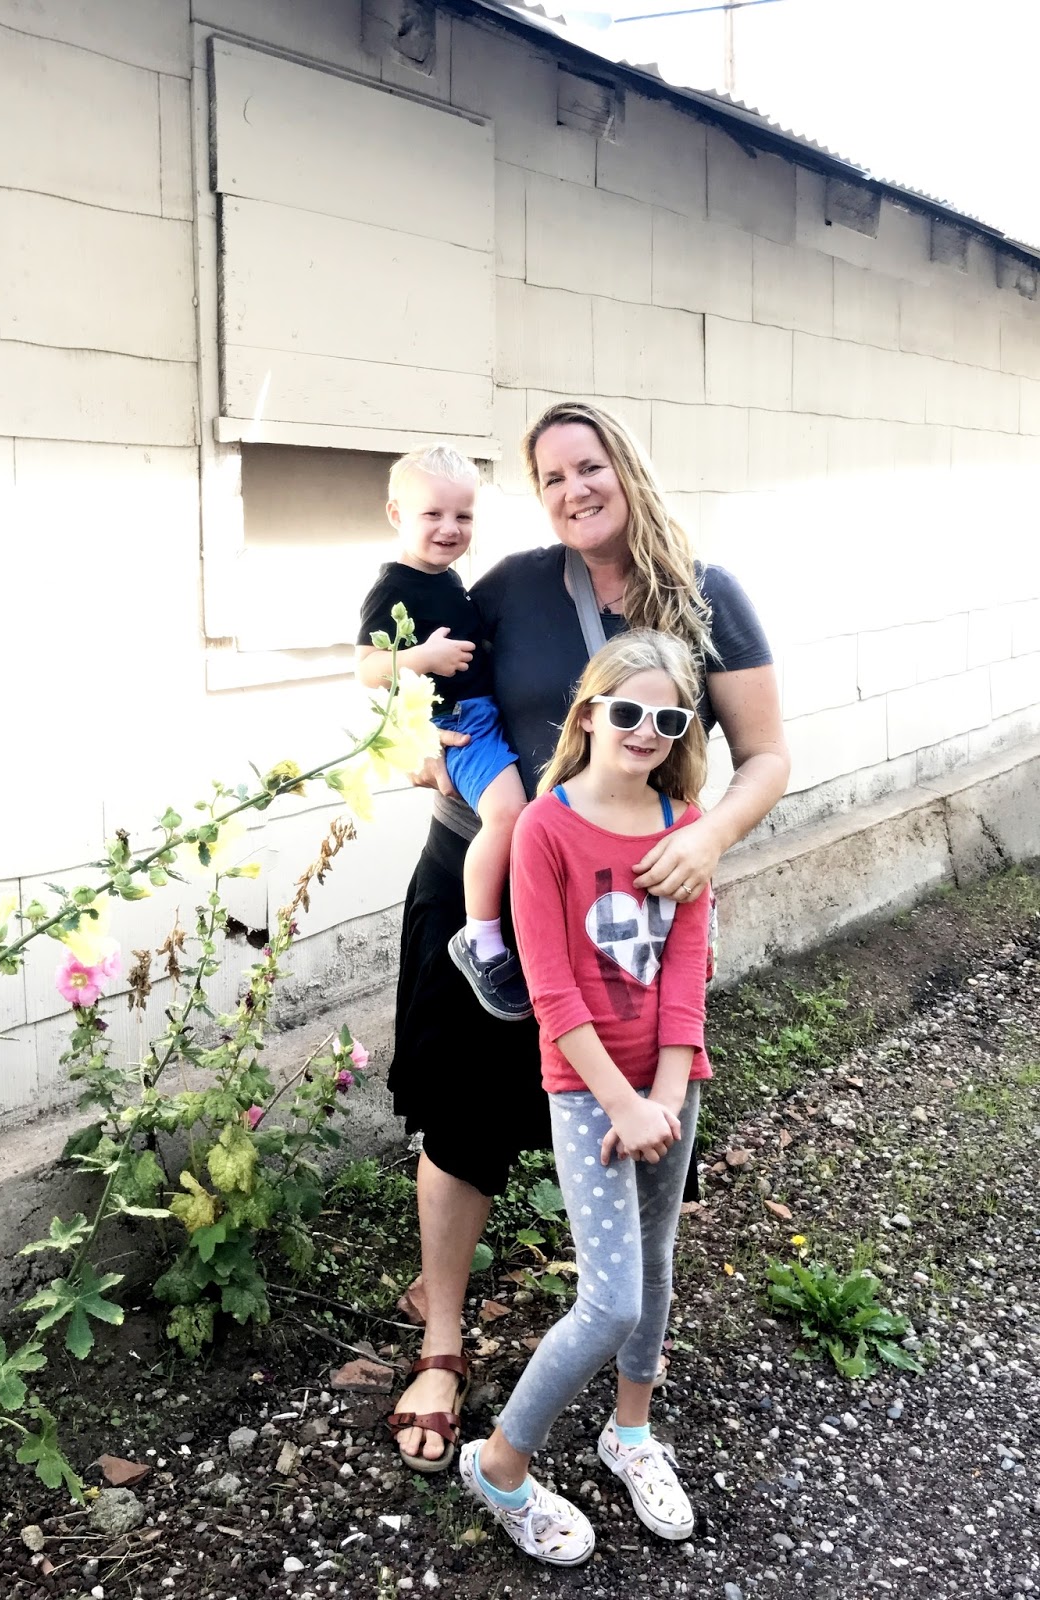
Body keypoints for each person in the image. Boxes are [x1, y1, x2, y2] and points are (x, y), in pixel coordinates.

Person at [384, 400, 790, 1475]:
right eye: (552, 477)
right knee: (464, 1114)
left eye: (588, 466)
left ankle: (622, 1355)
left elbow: (765, 756)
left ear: (626, 468)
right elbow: (433, 683)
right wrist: (426, 747)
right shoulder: (511, 586)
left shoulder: (708, 597)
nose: (573, 490)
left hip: (631, 903)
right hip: (482, 881)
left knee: (635, 1112)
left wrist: (707, 835)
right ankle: (441, 1341)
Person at [458, 630, 710, 1564]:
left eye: (668, 720)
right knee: (609, 1303)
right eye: (629, 710)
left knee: (656, 1266)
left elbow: (687, 970)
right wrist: (622, 1104)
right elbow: (551, 990)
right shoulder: (544, 830)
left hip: (669, 1086)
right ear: (590, 713)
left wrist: (666, 1097)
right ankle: (500, 1465)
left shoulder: (686, 826)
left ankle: (630, 1433)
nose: (646, 731)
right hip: (588, 1090)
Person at [356, 445, 531, 1022]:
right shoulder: (393, 587)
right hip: (458, 724)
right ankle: (481, 938)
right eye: (432, 513)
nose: (450, 528)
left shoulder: (449, 579)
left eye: (463, 515)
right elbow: (367, 670)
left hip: (481, 715)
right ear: (396, 514)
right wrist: (423, 658)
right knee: (507, 815)